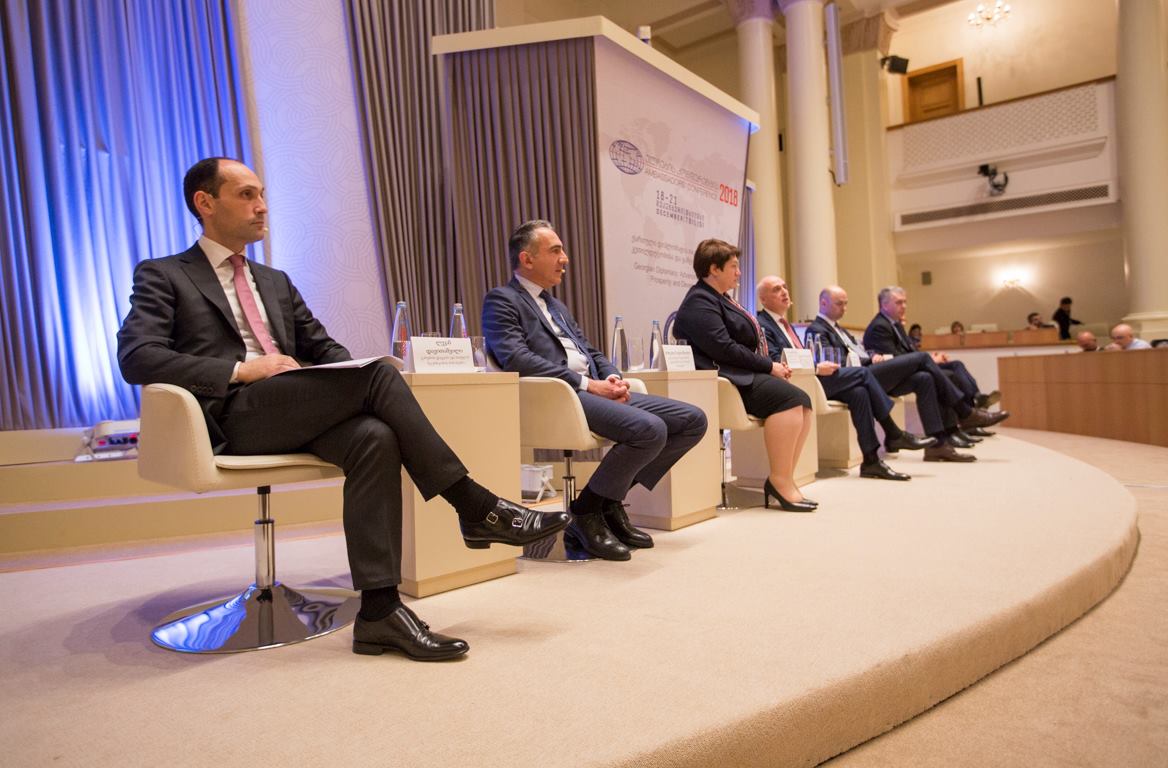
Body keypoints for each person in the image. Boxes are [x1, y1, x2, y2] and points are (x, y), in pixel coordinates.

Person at [118, 158, 570, 662]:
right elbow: (138, 357)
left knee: (375, 434)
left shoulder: (275, 281)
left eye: (262, 193)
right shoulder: (165, 274)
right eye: (246, 195)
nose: (262, 205)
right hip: (231, 414)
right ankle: (475, 506)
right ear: (205, 203)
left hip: (292, 407)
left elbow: (323, 348)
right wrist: (243, 369)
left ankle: (379, 613)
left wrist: (361, 371)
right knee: (377, 380)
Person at [482, 220, 707, 559]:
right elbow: (516, 358)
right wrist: (589, 384)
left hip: (591, 390)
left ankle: (605, 502)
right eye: (555, 251)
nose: (565, 259)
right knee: (649, 430)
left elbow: (590, 351)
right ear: (527, 259)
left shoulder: (556, 306)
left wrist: (613, 378)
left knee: (692, 421)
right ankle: (587, 513)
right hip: (561, 396)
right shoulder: (502, 300)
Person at [671, 241, 815, 510]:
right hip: (726, 378)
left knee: (803, 402)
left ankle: (783, 478)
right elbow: (724, 348)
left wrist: (768, 366)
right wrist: (769, 366)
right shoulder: (700, 301)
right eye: (733, 266)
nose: (739, 272)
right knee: (790, 400)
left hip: (741, 372)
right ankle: (779, 481)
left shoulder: (721, 298)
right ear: (714, 269)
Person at [756, 275, 934, 481]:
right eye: (776, 289)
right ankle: (893, 432)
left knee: (859, 392)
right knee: (863, 373)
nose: (784, 292)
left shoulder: (785, 325)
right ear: (763, 299)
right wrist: (816, 367)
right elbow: (777, 359)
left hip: (810, 378)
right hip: (796, 384)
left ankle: (871, 461)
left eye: (785, 287)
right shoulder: (763, 324)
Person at [811, 286, 1003, 461]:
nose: (844, 308)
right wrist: (869, 360)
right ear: (823, 303)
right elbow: (835, 362)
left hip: (870, 368)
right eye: (839, 304)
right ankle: (965, 412)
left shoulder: (839, 329)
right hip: (859, 376)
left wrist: (872, 356)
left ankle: (938, 445)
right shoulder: (817, 329)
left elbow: (858, 352)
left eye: (846, 304)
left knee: (924, 378)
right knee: (923, 358)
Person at [865, 286, 1004, 418]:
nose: (904, 306)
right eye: (899, 302)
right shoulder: (880, 326)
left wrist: (931, 358)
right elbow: (894, 360)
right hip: (893, 378)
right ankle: (967, 412)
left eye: (905, 302)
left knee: (956, 365)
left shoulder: (895, 324)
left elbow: (911, 351)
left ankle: (976, 398)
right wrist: (929, 360)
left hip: (911, 366)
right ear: (884, 305)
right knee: (946, 375)